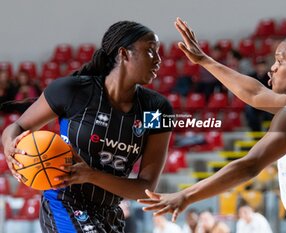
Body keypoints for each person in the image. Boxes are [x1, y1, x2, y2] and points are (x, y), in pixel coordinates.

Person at [138, 5, 286, 233]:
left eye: (280, 61)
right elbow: (255, 94)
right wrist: (205, 60)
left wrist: (185, 196)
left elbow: (250, 165)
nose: (273, 68)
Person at [2, 21, 173, 233]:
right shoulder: (73, 90)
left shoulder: (157, 109)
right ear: (124, 54)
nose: (158, 60)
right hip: (65, 203)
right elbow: (17, 126)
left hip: (110, 212)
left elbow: (145, 187)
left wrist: (91, 174)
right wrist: (10, 145)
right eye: (150, 51)